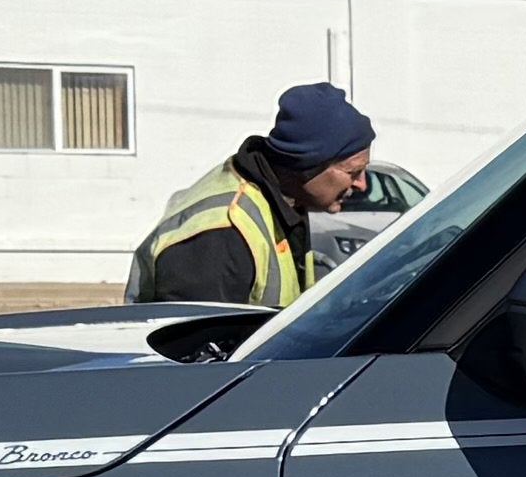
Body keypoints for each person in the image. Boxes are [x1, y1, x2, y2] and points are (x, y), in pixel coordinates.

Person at [130, 80, 377, 310]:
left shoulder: (283, 201)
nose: (362, 185)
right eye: (353, 172)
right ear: (307, 166)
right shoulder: (222, 234)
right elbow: (200, 340)